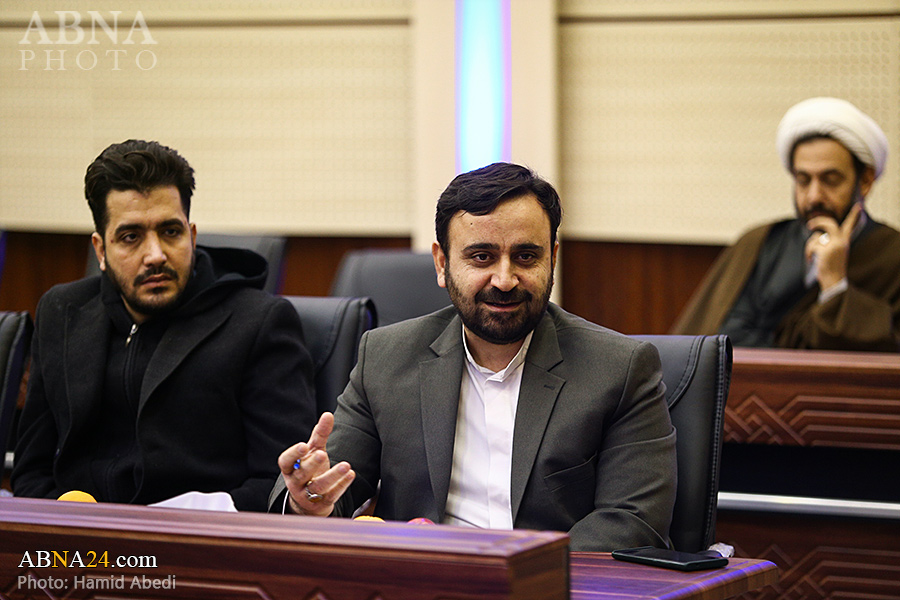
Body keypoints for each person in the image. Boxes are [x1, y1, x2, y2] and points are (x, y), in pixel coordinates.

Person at [270, 162, 677, 551]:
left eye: (526, 256)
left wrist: (509, 572)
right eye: (481, 257)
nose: (505, 279)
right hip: (422, 579)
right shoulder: (386, 358)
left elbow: (632, 521)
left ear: (552, 259)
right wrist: (307, 502)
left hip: (550, 583)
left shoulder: (620, 368)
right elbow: (328, 486)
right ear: (442, 263)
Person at [12, 140, 316, 511]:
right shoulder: (62, 313)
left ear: (192, 235)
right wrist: (72, 522)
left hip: (201, 537)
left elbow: (280, 487)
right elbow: (31, 472)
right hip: (79, 534)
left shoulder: (258, 323)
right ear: (101, 250)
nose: (155, 255)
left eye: (170, 232)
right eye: (131, 237)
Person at [672, 97, 900, 351]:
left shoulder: (893, 255)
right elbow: (720, 335)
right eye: (803, 180)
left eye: (830, 180)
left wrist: (835, 287)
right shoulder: (760, 241)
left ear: (865, 181)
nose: (814, 196)